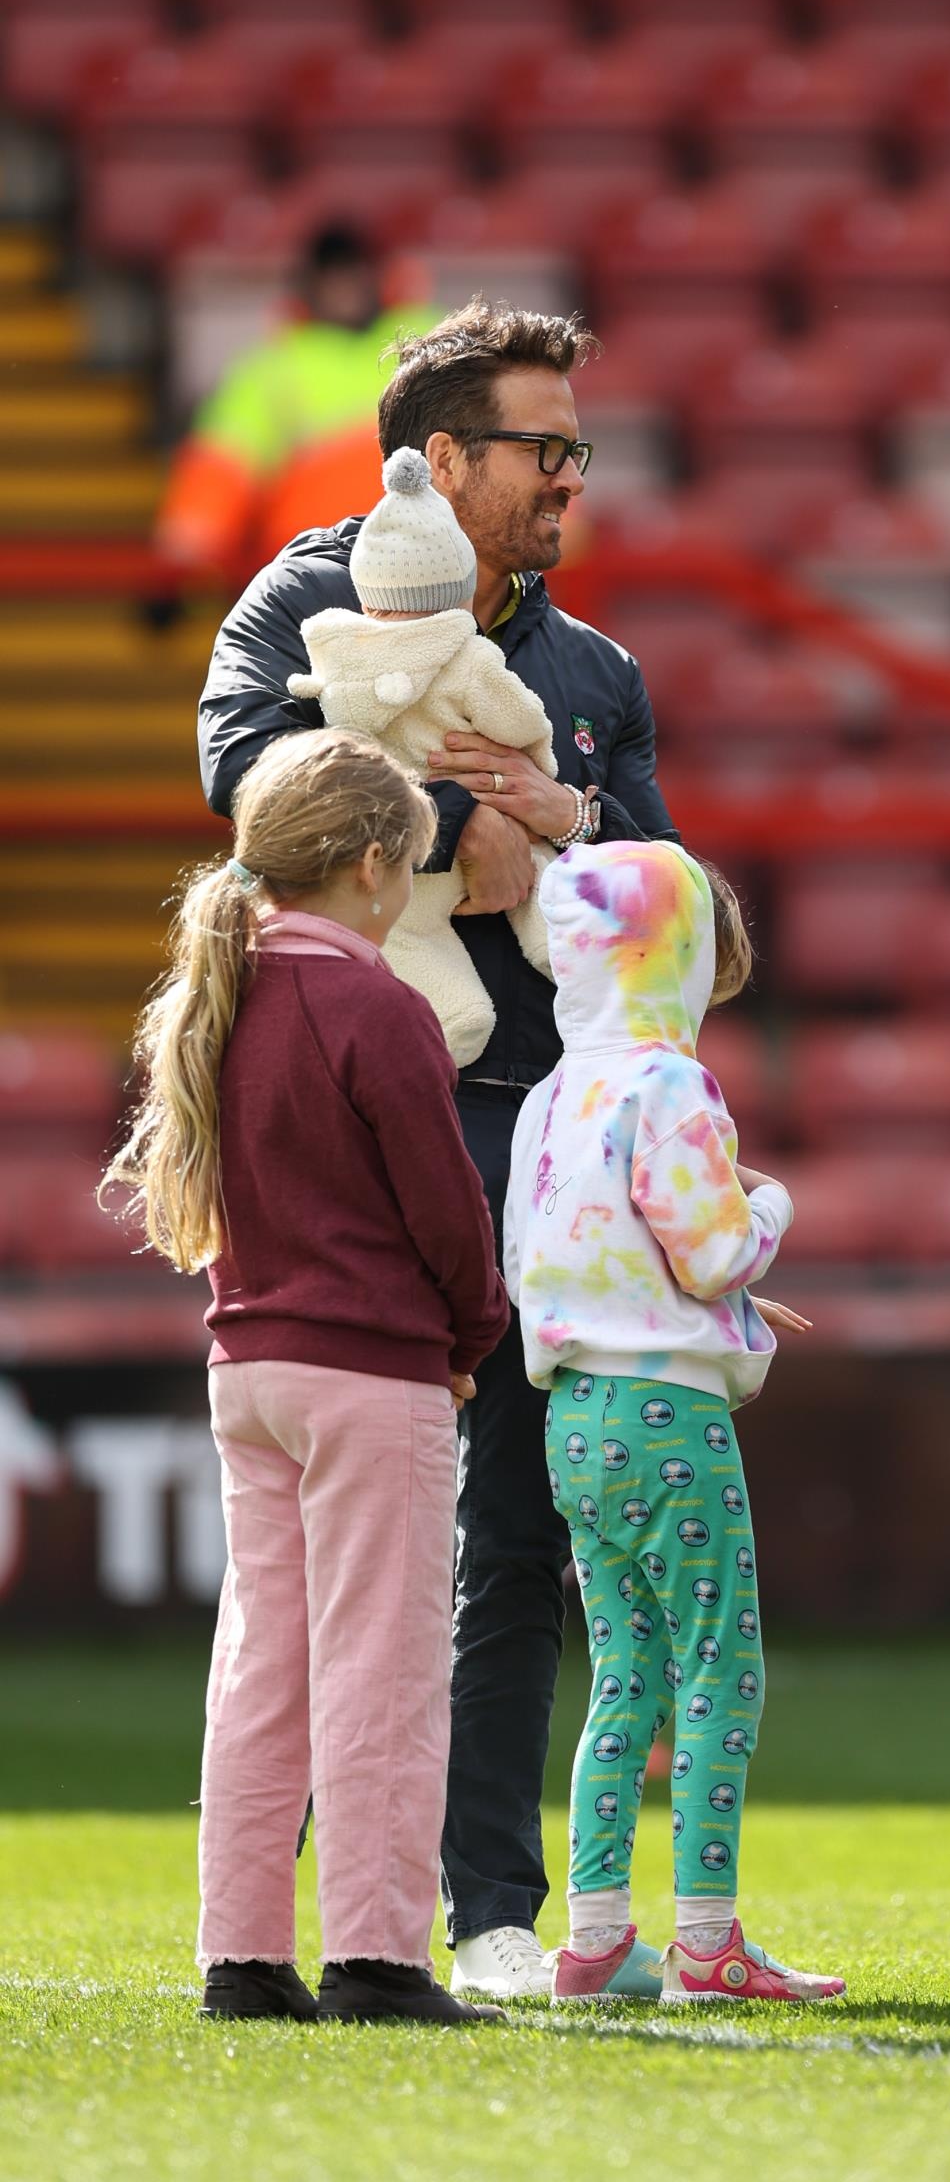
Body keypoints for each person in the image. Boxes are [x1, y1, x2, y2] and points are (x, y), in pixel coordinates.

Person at [196, 299, 678, 2004]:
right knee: (352, 1560)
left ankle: (478, 1899)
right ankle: (313, 1921)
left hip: (536, 1122)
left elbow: (658, 904)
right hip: (349, 1124)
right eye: (545, 447)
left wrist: (579, 824)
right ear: (443, 458)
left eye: (577, 449)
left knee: (513, 1537)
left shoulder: (596, 676)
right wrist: (459, 826)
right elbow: (242, 772)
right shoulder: (299, 603)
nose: (571, 476)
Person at [106, 726, 510, 2030]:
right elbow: (448, 1216)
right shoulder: (375, 1005)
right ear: (378, 867)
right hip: (367, 1372)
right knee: (381, 1668)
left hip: (251, 1369)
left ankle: (243, 1955)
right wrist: (472, 1337)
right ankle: (381, 1959)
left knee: (262, 1668)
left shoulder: (220, 997)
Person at [504, 839, 843, 2007]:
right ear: (682, 955)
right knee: (717, 1670)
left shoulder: (551, 1097)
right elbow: (708, 1253)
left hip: (578, 1414)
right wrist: (769, 1208)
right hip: (670, 1415)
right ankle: (709, 1941)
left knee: (623, 1675)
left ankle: (593, 1934)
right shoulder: (669, 1085)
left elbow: (545, 1255)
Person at [289, 446, 564, 1064]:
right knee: (541, 875)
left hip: (395, 868)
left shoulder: (336, 655)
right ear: (459, 590)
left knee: (409, 940)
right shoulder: (468, 659)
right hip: (470, 841)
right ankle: (564, 950)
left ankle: (449, 1026)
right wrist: (541, 767)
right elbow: (519, 721)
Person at [155, 220, 422, 582]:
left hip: (423, 559)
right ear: (307, 286)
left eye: (352, 273)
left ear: (379, 277)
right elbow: (223, 461)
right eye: (330, 276)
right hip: (311, 571)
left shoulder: (430, 342)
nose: (343, 288)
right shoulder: (271, 366)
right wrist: (180, 564)